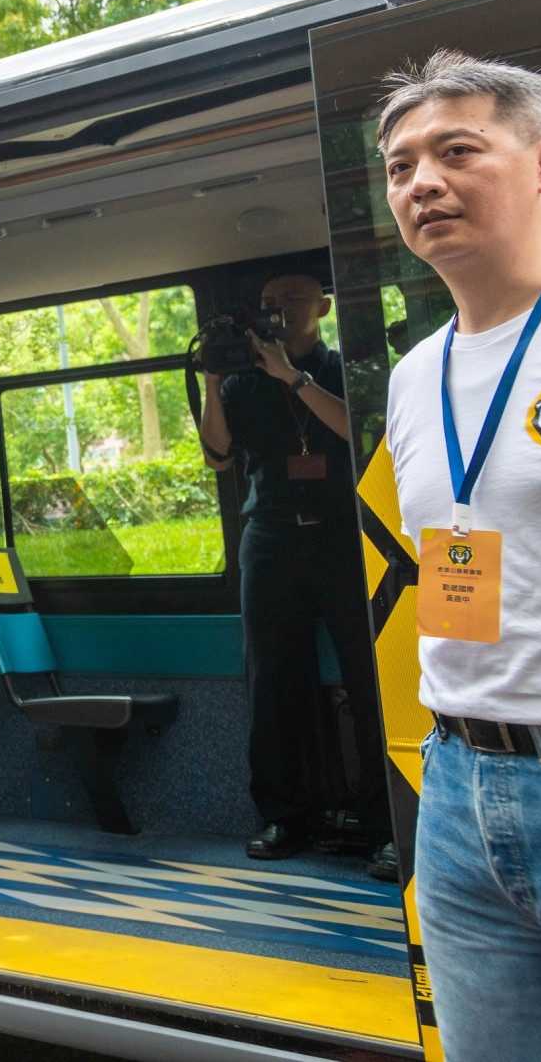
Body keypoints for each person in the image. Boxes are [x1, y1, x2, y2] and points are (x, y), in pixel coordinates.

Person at [376, 50, 541, 1057]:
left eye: (454, 151)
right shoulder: (411, 377)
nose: (419, 184)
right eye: (398, 167)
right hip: (454, 788)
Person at [199, 273, 394, 878]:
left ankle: (387, 824)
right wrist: (211, 379)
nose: (277, 308)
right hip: (271, 538)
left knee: (370, 680)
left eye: (291, 298)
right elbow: (217, 455)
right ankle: (283, 815)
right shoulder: (241, 381)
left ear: (325, 306)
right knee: (272, 680)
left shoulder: (349, 369)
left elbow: (363, 435)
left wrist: (294, 377)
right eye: (268, 301)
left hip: (345, 537)